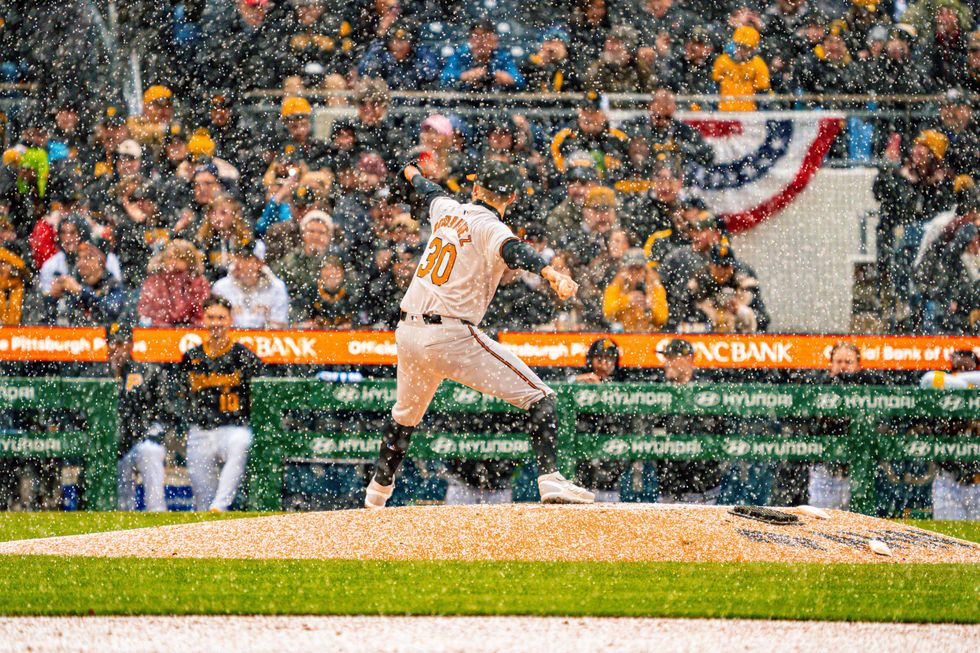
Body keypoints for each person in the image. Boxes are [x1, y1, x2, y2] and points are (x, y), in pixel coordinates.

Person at [364, 159, 594, 508]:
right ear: (512, 197)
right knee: (541, 397)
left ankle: (376, 496)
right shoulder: (491, 226)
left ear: (475, 188)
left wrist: (409, 172)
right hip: (450, 334)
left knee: (405, 417)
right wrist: (551, 273)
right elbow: (515, 250)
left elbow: (424, 187)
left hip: (408, 331)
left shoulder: (446, 208)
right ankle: (549, 479)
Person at [177, 295, 263, 512]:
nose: (216, 322)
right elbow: (179, 395)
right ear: (203, 319)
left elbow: (260, 393)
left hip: (231, 427)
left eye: (221, 317)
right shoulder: (192, 356)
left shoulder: (243, 356)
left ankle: (221, 505)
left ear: (230, 320)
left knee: (242, 442)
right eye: (211, 317)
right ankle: (211, 521)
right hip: (201, 430)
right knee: (202, 502)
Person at [111, 323, 172, 512]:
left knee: (149, 451)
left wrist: (153, 433)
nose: (117, 349)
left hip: (141, 439)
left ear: (131, 345)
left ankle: (157, 513)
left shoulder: (146, 372)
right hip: (112, 447)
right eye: (113, 343)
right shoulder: (96, 372)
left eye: (122, 343)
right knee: (121, 504)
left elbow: (165, 410)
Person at [573, 338, 631, 502]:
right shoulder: (579, 379)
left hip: (610, 470)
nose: (604, 364)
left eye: (609, 359)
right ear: (591, 360)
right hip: (581, 467)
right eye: (599, 358)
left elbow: (623, 420)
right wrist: (578, 383)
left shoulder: (623, 383)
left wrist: (603, 390)